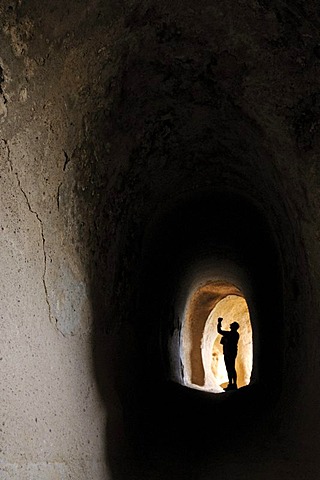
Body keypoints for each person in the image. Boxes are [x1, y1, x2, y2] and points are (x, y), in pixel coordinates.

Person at [217, 317, 240, 391]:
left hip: (229, 353)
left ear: (234, 327)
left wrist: (219, 322)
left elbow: (219, 331)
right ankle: (232, 384)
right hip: (229, 353)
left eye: (232, 325)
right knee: (230, 368)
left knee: (230, 368)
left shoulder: (232, 334)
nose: (230, 326)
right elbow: (220, 331)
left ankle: (233, 384)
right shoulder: (234, 334)